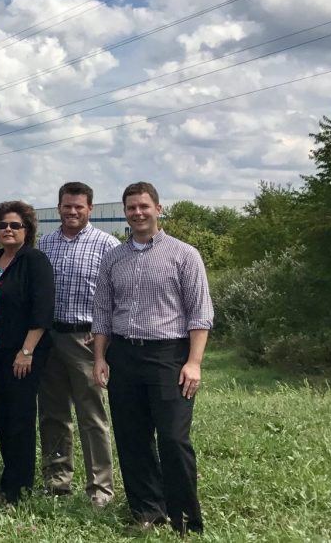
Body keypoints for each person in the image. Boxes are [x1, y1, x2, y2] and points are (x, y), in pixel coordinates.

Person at [92, 182, 213, 535]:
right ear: (125, 212)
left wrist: (194, 362)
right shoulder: (113, 257)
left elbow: (200, 314)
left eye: (144, 206)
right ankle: (147, 512)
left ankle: (186, 518)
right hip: (124, 355)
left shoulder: (184, 254)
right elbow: (102, 311)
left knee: (174, 439)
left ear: (158, 209)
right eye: (132, 208)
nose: (138, 213)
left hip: (168, 356)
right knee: (132, 438)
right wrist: (100, 357)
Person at [37, 182, 118, 508]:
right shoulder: (45, 244)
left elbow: (116, 297)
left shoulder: (107, 245)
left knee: (92, 416)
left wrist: (104, 341)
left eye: (79, 207)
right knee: (53, 413)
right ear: (58, 207)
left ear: (90, 209)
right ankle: (57, 481)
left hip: (86, 339)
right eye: (67, 206)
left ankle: (100, 488)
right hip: (50, 338)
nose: (72, 212)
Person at [0, 201, 54, 505]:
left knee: (20, 418)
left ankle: (17, 488)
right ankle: (10, 476)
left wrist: (26, 350)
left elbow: (43, 310)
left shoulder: (35, 261)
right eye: (2, 225)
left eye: (15, 225)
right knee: (2, 416)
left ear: (27, 229)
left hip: (23, 353)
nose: (8, 230)